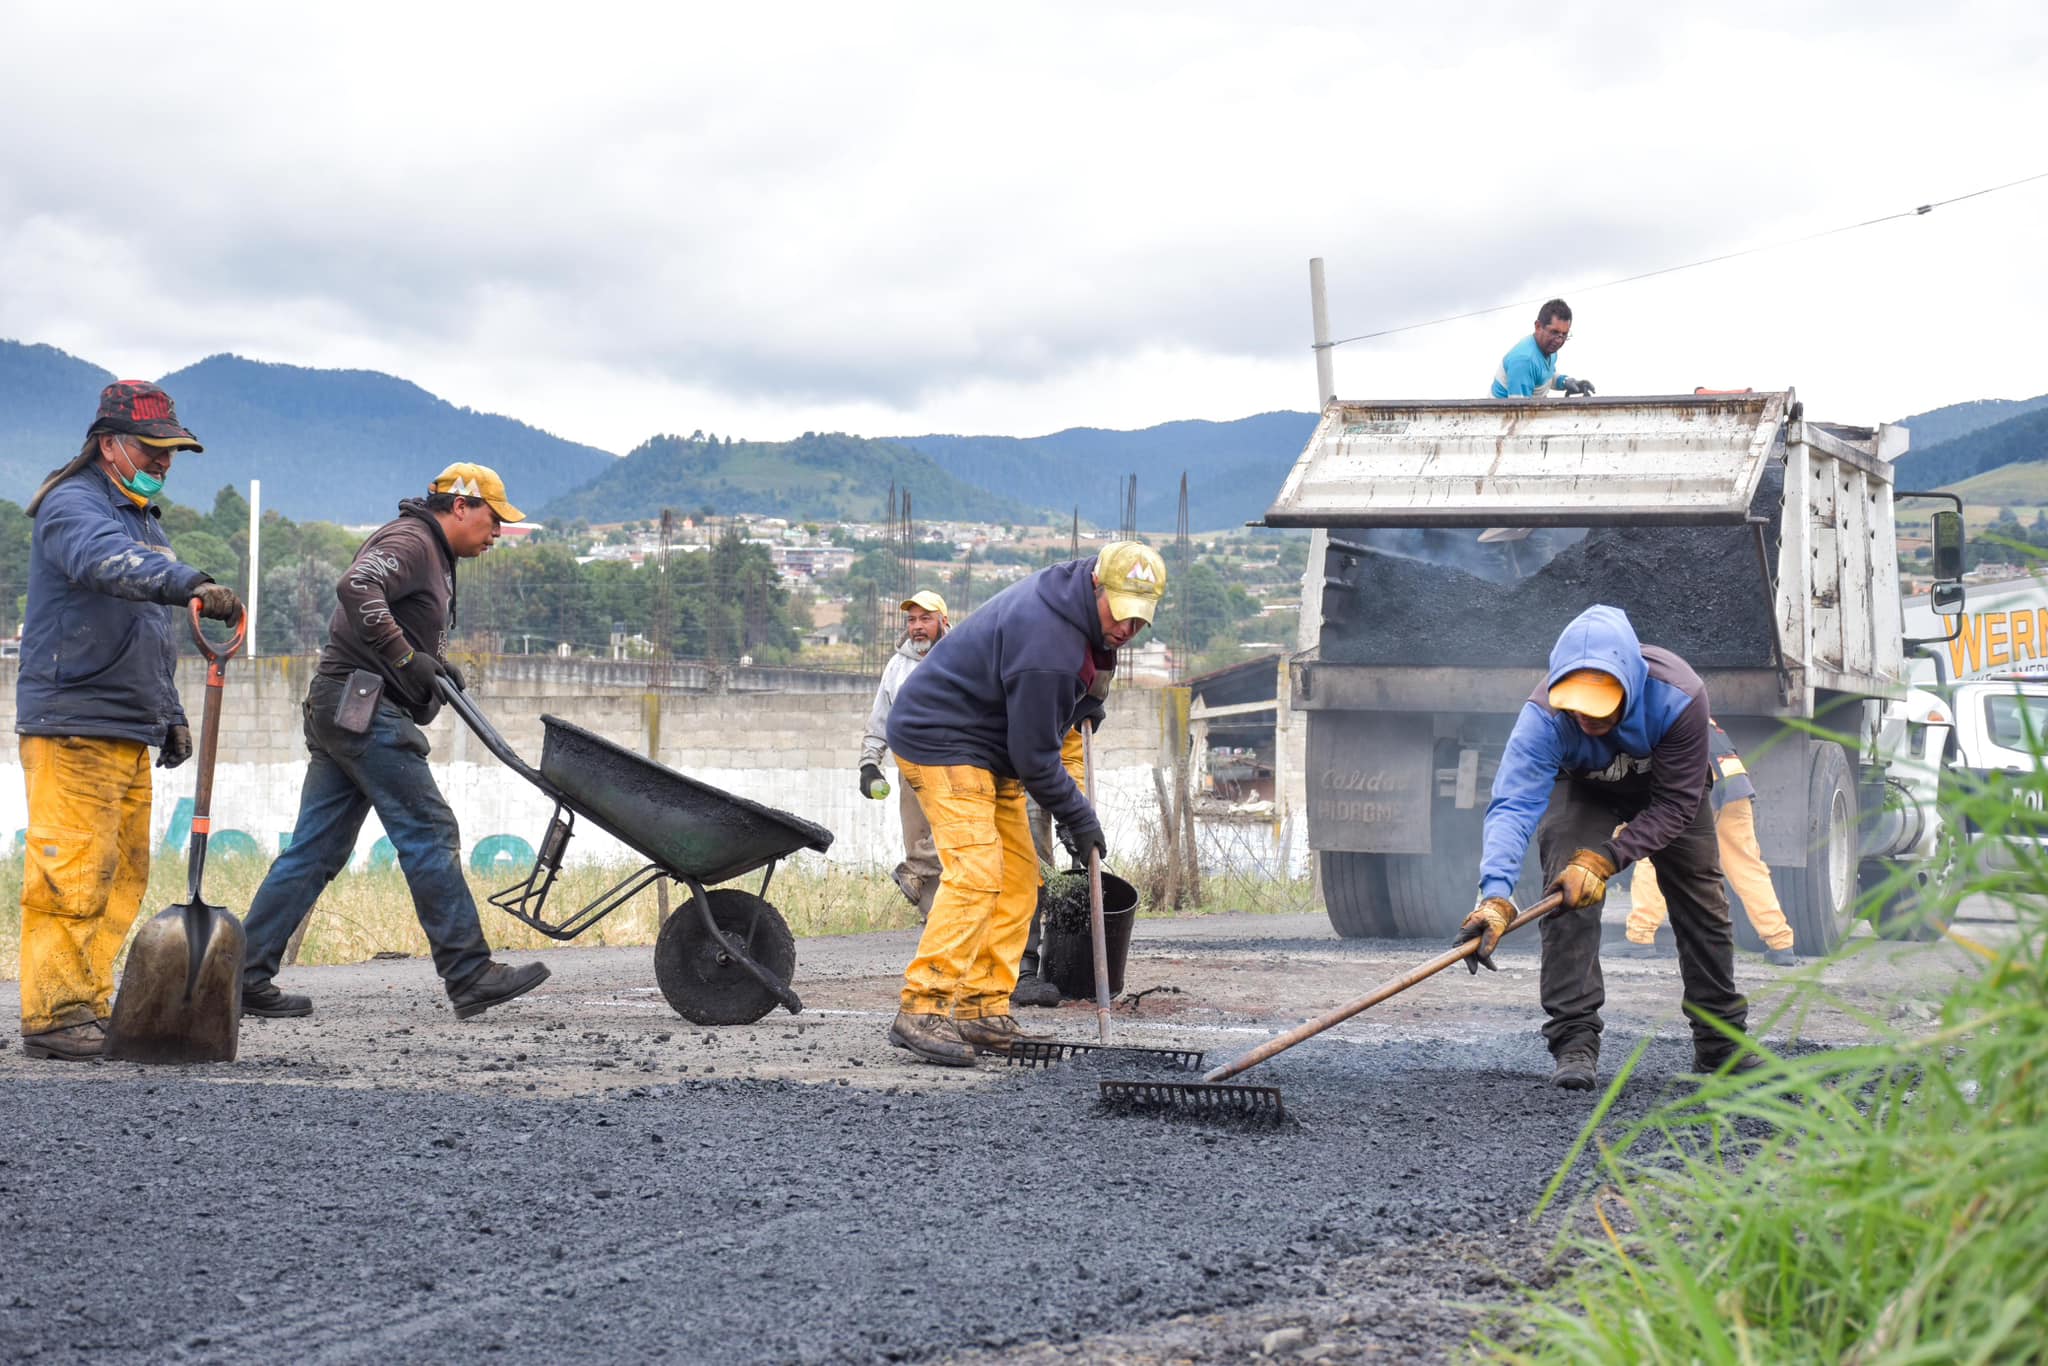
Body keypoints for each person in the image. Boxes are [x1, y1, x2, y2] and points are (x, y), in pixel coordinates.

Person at [238, 463, 548, 1022]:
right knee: (429, 831)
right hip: (365, 707)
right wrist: (406, 658)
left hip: (345, 704)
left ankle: (239, 975)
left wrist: (432, 662)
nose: (498, 532)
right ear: (460, 507)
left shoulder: (431, 552)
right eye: (493, 519)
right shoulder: (410, 540)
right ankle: (469, 972)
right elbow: (357, 585)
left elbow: (394, 620)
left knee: (315, 849)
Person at [14, 381, 243, 1061]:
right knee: (73, 874)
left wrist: (166, 712)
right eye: (154, 448)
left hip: (122, 723)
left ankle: (86, 999)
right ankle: (53, 1013)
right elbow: (108, 566)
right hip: (74, 720)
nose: (166, 461)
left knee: (120, 874)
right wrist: (189, 582)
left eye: (172, 451)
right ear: (109, 444)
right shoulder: (73, 507)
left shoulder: (143, 520)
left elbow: (147, 627)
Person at [882, 541, 1166, 1064]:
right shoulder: (1049, 644)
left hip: (991, 749)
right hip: (941, 740)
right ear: (1097, 586)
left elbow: (1073, 692)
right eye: (1121, 615)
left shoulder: (1084, 611)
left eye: (1139, 620)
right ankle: (922, 1005)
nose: (1127, 629)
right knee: (977, 870)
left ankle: (983, 1005)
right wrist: (1079, 818)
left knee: (1017, 875)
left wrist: (1085, 703)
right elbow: (1036, 758)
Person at [1458, 604, 1751, 1090]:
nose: (1586, 718)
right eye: (1576, 705)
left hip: (1666, 791)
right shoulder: (1545, 716)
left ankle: (1720, 1047)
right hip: (1583, 788)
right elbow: (1513, 805)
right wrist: (1495, 893)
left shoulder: (1679, 697)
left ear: (1628, 687)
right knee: (1566, 889)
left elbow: (1677, 805)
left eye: (1600, 706)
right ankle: (1574, 1042)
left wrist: (1607, 858)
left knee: (1703, 902)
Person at [1621, 720, 1799, 966]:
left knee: (1654, 854)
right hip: (1734, 784)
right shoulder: (1686, 704)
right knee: (1747, 867)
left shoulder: (1647, 714)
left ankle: (1640, 938)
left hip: (1698, 784)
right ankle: (1780, 943)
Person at [858, 589, 950, 918]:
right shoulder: (897, 666)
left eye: (926, 618)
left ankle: (916, 869)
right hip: (911, 769)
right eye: (912, 620)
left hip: (955, 765)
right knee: (918, 838)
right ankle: (933, 923)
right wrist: (869, 763)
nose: (917, 626)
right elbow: (880, 717)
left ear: (944, 621)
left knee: (957, 832)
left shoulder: (962, 656)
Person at [1491, 299, 1594, 399]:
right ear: (1538, 326)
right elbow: (1519, 412)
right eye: (1554, 332)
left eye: (1564, 334)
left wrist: (1565, 382)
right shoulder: (1524, 361)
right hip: (1502, 415)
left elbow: (1545, 376)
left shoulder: (1549, 349)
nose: (1559, 340)